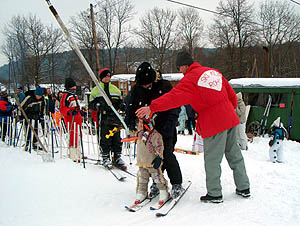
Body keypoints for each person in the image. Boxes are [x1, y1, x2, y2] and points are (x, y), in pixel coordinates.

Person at [136, 51, 250, 203]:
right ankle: (244, 187)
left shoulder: (190, 79)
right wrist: (228, 111)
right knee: (235, 155)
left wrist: (152, 107)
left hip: (214, 121)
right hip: (230, 118)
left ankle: (215, 193)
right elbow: (232, 95)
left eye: (178, 68)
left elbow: (173, 98)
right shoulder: (213, 72)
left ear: (184, 65)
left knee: (212, 160)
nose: (180, 72)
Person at [125, 62, 183, 199]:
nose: (146, 86)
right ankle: (158, 183)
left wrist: (168, 126)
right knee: (151, 159)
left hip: (165, 128)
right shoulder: (136, 90)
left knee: (166, 156)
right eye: (143, 84)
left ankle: (176, 183)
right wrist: (131, 123)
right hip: (147, 131)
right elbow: (130, 109)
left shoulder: (164, 86)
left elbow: (175, 107)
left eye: (148, 84)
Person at [88, 68, 126, 169]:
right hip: (103, 117)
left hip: (115, 117)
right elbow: (90, 104)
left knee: (117, 137)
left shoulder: (115, 89)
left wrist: (122, 105)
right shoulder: (96, 90)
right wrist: (97, 106)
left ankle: (117, 156)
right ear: (101, 78)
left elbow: (119, 101)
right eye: (105, 76)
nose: (107, 78)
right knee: (105, 137)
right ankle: (105, 156)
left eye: (109, 76)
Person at [134, 117, 169, 206]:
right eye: (138, 123)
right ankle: (142, 192)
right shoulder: (139, 134)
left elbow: (159, 146)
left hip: (152, 163)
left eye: (141, 123)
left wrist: (159, 157)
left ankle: (163, 191)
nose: (139, 125)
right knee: (142, 179)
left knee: (157, 178)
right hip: (141, 162)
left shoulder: (155, 135)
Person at [60, 78, 82, 162]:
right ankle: (72, 155)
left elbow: (77, 106)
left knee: (79, 136)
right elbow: (62, 109)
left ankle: (79, 153)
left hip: (77, 118)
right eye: (72, 88)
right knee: (73, 136)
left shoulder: (75, 96)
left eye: (74, 88)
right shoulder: (65, 96)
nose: (74, 89)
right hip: (71, 120)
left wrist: (81, 111)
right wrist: (69, 112)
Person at [20, 87, 45, 151]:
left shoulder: (42, 99)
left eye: (40, 96)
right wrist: (21, 116)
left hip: (36, 116)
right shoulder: (29, 98)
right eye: (38, 95)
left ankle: (35, 143)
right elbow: (21, 107)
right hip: (28, 116)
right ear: (35, 94)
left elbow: (42, 108)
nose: (39, 97)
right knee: (28, 131)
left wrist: (41, 115)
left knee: (36, 131)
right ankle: (28, 144)